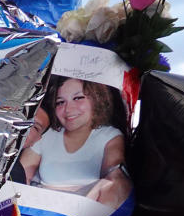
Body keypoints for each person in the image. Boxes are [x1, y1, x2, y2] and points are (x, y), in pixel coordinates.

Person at [19, 76, 132, 208]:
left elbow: (114, 172)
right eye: (60, 102)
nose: (68, 109)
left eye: (78, 98)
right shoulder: (46, 134)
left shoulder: (109, 136)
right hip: (39, 212)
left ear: (97, 99)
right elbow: (21, 175)